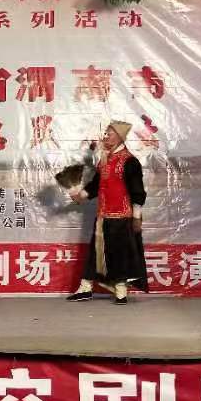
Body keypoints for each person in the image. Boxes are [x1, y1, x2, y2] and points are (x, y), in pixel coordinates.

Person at [66, 120, 149, 304]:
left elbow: (137, 191)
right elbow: (96, 185)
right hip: (103, 216)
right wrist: (81, 196)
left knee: (120, 253)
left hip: (122, 217)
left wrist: (136, 217)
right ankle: (85, 288)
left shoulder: (130, 161)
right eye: (105, 134)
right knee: (95, 253)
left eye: (109, 134)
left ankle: (121, 291)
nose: (106, 137)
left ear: (119, 137)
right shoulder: (104, 160)